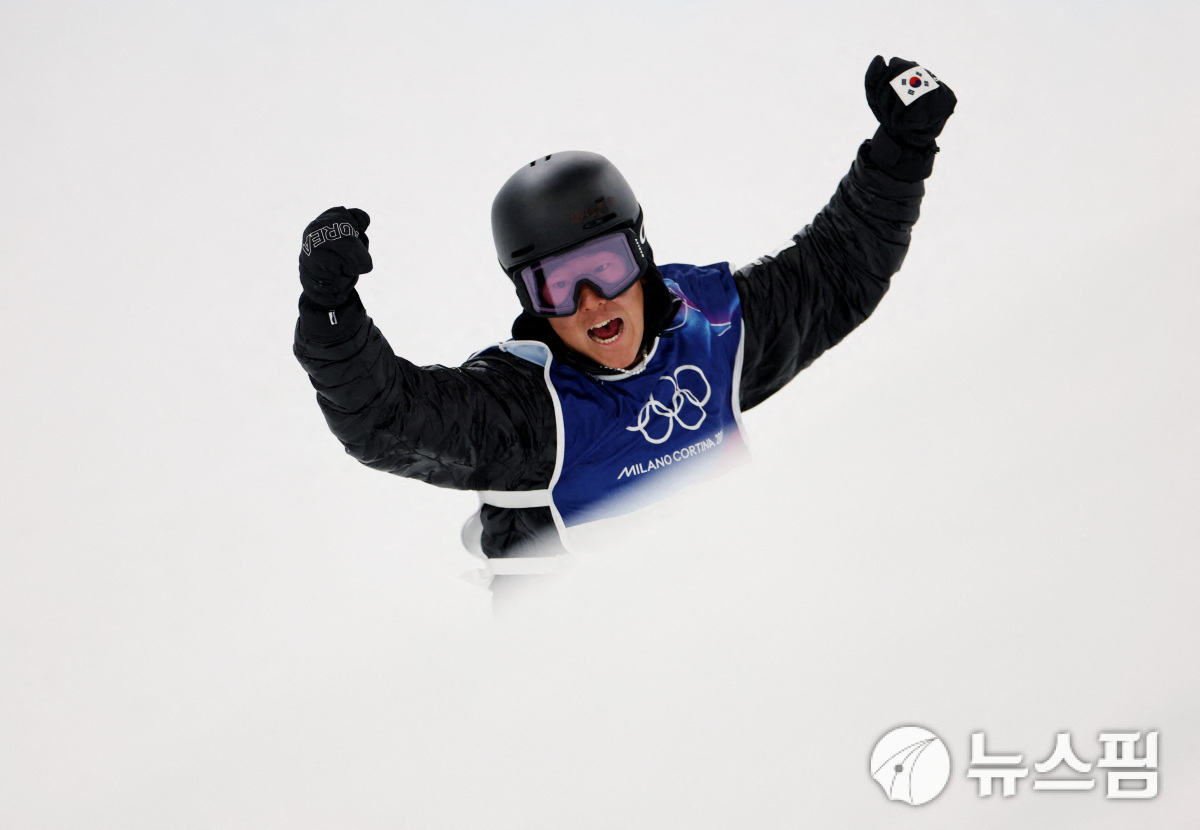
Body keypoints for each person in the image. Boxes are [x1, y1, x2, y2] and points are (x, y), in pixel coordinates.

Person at [293, 56, 956, 589]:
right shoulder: (524, 410)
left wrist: (901, 153)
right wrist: (331, 311)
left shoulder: (714, 332)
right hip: (580, 684)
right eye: (557, 284)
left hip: (736, 642)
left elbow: (835, 275)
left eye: (604, 267)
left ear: (641, 256)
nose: (590, 302)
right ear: (530, 299)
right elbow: (385, 420)